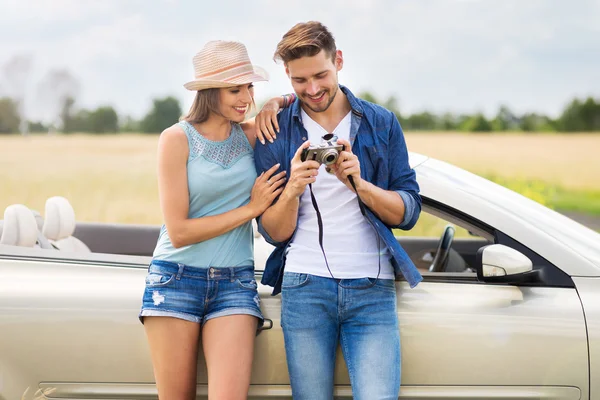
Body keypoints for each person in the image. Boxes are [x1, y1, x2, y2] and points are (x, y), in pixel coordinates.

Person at [253, 22, 423, 399]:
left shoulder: (381, 123)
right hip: (304, 287)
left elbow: (408, 212)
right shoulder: (275, 129)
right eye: (299, 81)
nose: (312, 90)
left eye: (321, 75)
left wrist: (360, 186)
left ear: (339, 61)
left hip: (371, 288)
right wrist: (293, 189)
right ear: (287, 76)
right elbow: (273, 233)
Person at [139, 40, 286, 400]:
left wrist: (276, 103)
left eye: (250, 87)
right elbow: (179, 231)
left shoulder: (252, 135)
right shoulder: (176, 139)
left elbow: (302, 102)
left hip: (234, 283)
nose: (246, 98)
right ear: (208, 92)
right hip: (175, 279)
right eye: (234, 89)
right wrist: (250, 210)